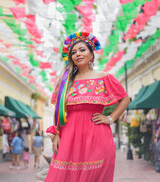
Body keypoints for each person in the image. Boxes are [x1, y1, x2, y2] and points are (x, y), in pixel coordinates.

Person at [45, 32, 130, 182]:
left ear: (91, 54)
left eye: (82, 50)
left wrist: (110, 118)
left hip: (97, 134)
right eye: (73, 52)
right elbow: (58, 109)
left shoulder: (104, 77)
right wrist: (56, 134)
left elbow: (125, 99)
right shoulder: (65, 80)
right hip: (69, 135)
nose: (77, 54)